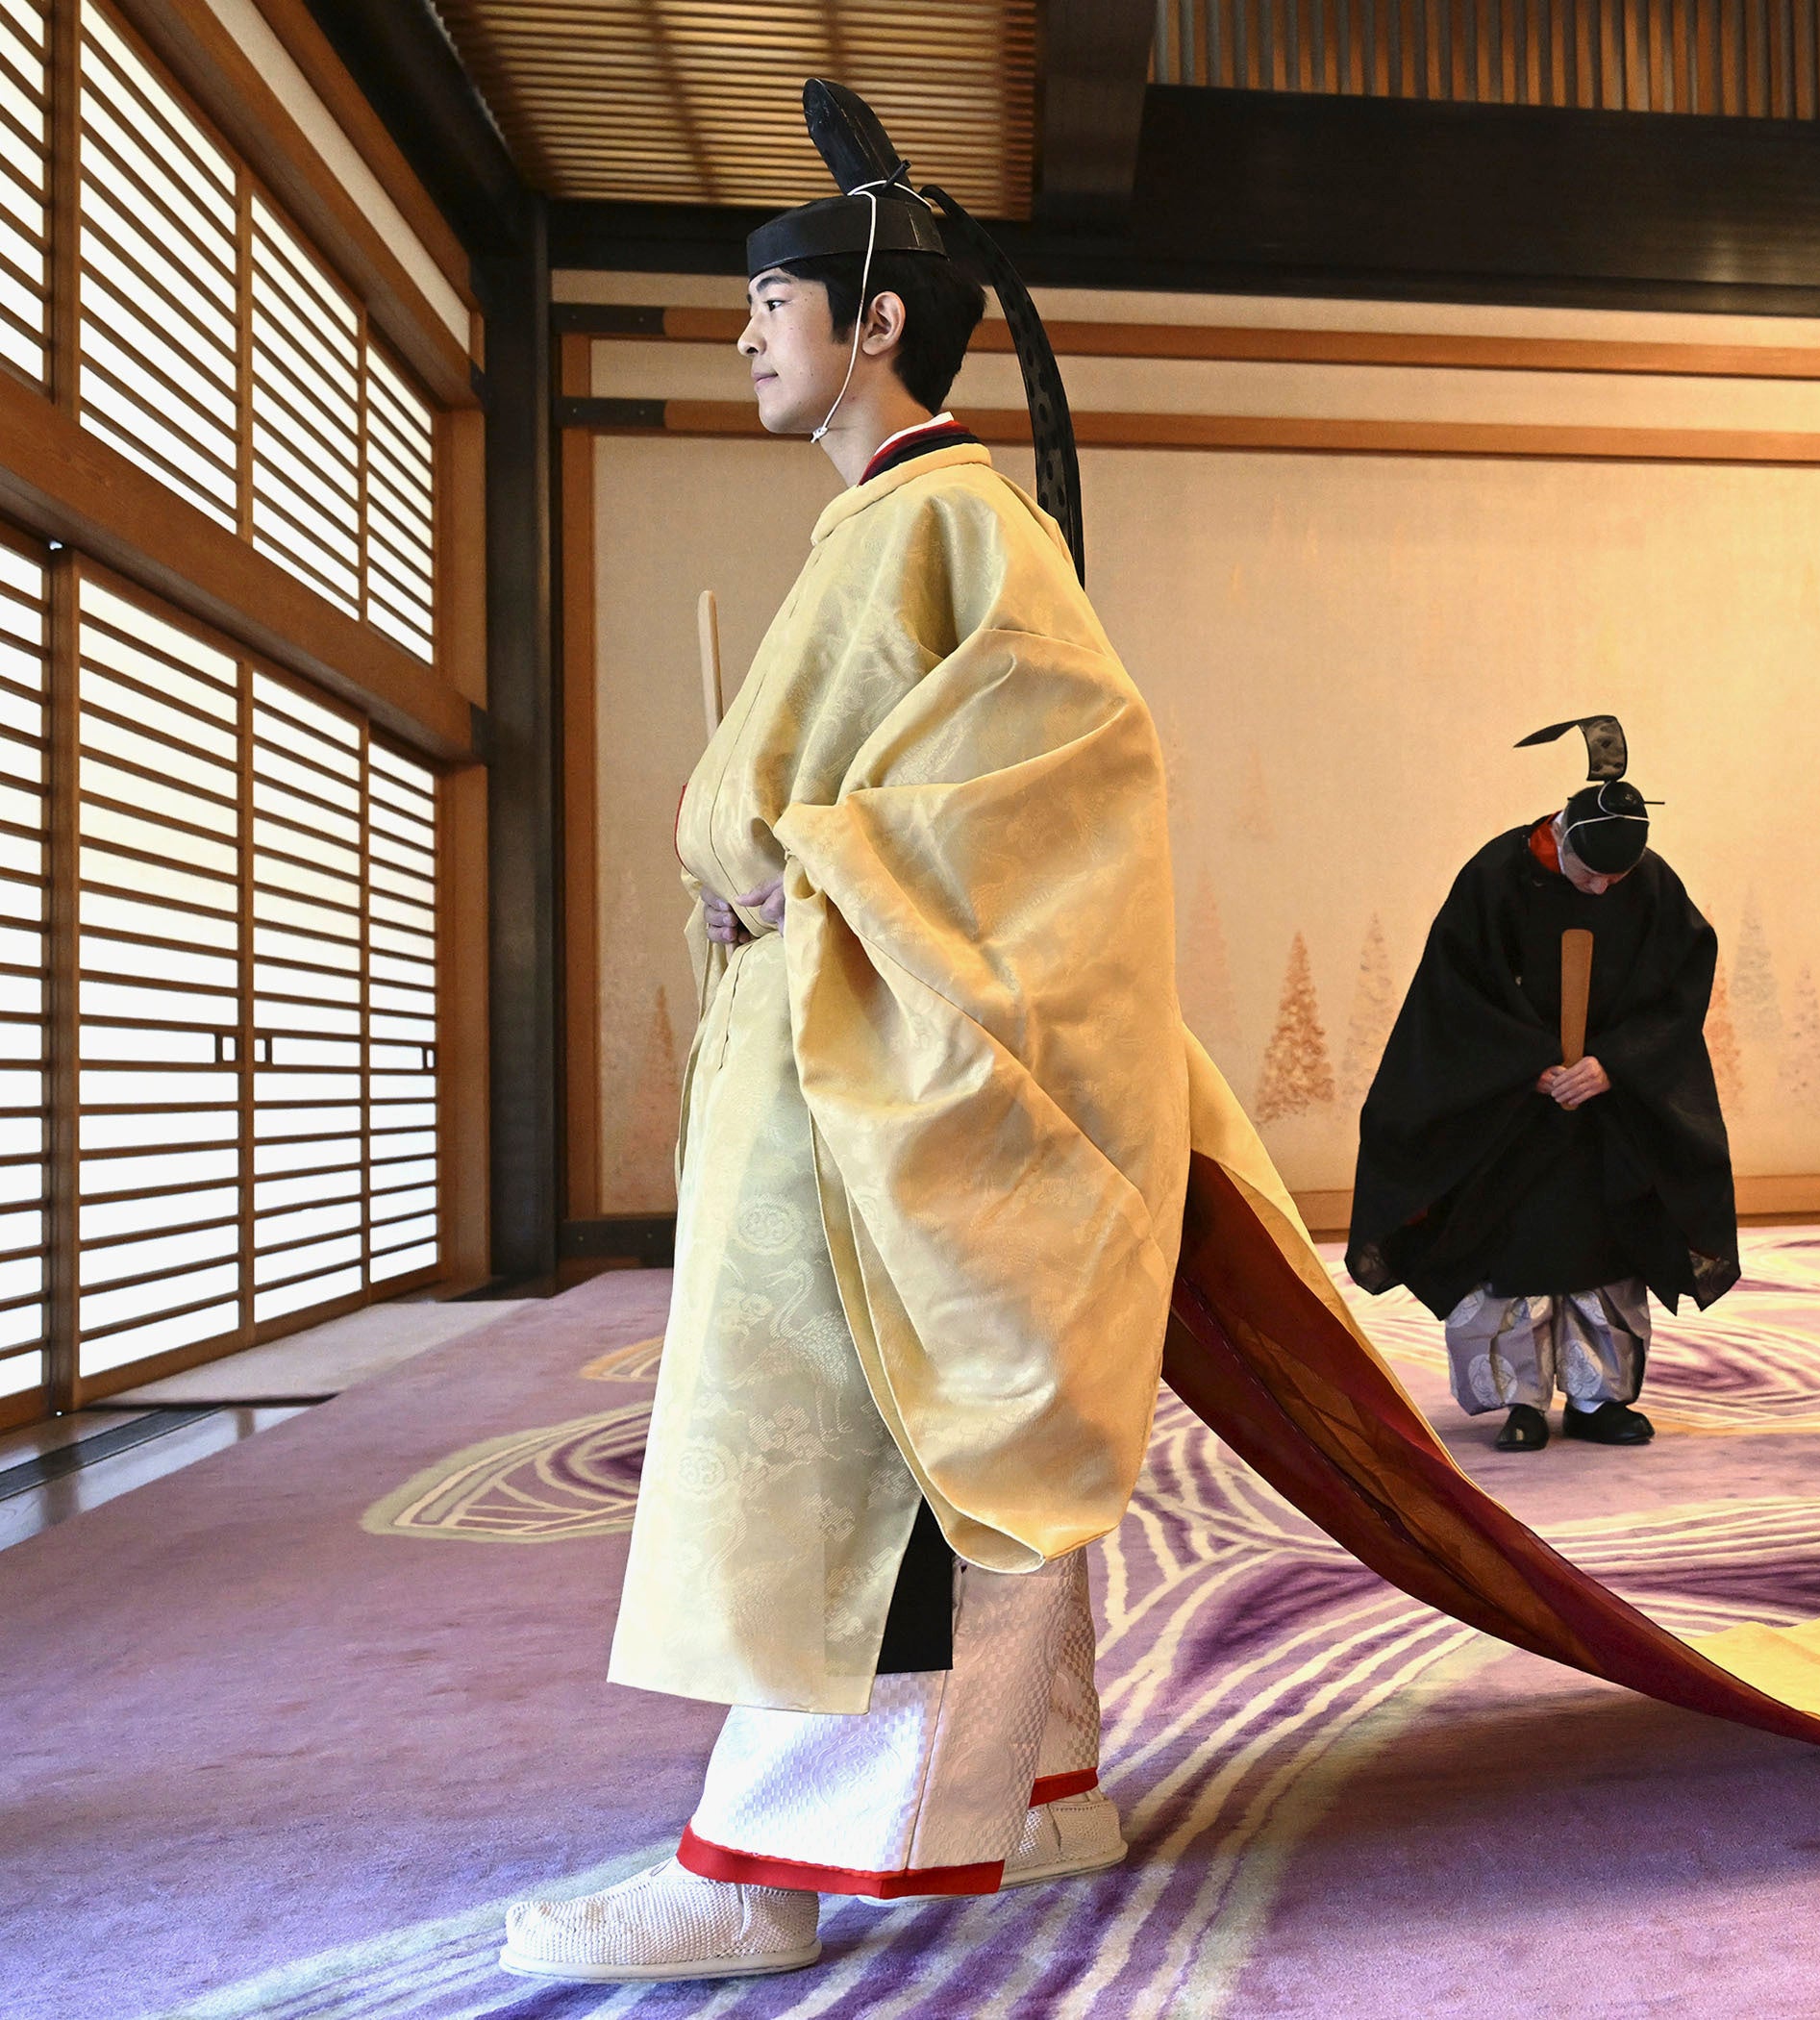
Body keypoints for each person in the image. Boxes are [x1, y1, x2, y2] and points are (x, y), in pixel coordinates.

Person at [501, 82, 1178, 1981]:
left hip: (878, 1063)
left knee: (867, 1436)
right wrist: (789, 867)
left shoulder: (960, 532)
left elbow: (1062, 795)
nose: (742, 336)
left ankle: (759, 1873)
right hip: (821, 1036)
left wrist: (815, 862)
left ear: (875, 321)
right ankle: (1021, 1791)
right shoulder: (885, 532)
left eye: (769, 306)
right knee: (916, 1435)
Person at [1347, 717, 1739, 1452]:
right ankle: (1519, 1400)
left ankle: (1599, 1398)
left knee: (1606, 1249)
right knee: (1513, 1255)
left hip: (1607, 1110)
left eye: (1615, 879)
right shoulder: (1494, 878)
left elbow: (1680, 986)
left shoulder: (1646, 883)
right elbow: (1451, 993)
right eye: (1590, 873)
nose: (1601, 887)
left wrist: (1613, 1063)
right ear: (1560, 833)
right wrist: (1528, 1063)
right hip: (1513, 1108)